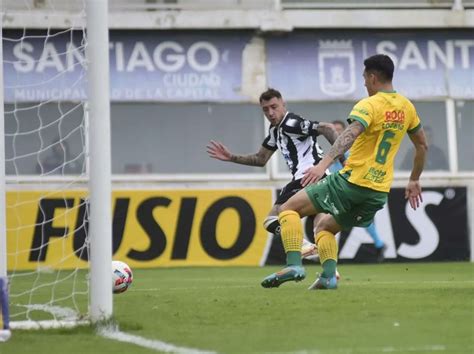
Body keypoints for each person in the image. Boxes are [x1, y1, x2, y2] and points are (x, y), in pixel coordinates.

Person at [261, 54, 428, 289]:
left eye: (364, 78)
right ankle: (329, 277)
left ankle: (294, 264)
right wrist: (414, 180)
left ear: (372, 77)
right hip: (378, 193)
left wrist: (322, 165)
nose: (364, 83)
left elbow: (350, 134)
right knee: (325, 227)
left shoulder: (369, 104)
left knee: (287, 209)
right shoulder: (407, 107)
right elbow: (422, 145)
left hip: (352, 182)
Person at [207, 88, 339, 260]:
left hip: (307, 177)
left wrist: (344, 161)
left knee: (273, 219)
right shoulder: (275, 131)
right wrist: (231, 157)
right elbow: (260, 159)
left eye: (274, 107)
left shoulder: (291, 123)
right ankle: (329, 273)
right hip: (322, 179)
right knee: (321, 227)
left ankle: (302, 246)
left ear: (283, 104)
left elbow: (328, 128)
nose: (270, 112)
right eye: (265, 109)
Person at [331, 120, 386, 262]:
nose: (336, 133)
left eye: (339, 130)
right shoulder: (333, 154)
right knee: (335, 219)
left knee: (337, 219)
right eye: (334, 131)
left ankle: (327, 252)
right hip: (339, 190)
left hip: (352, 189)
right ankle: (379, 244)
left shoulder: (352, 151)